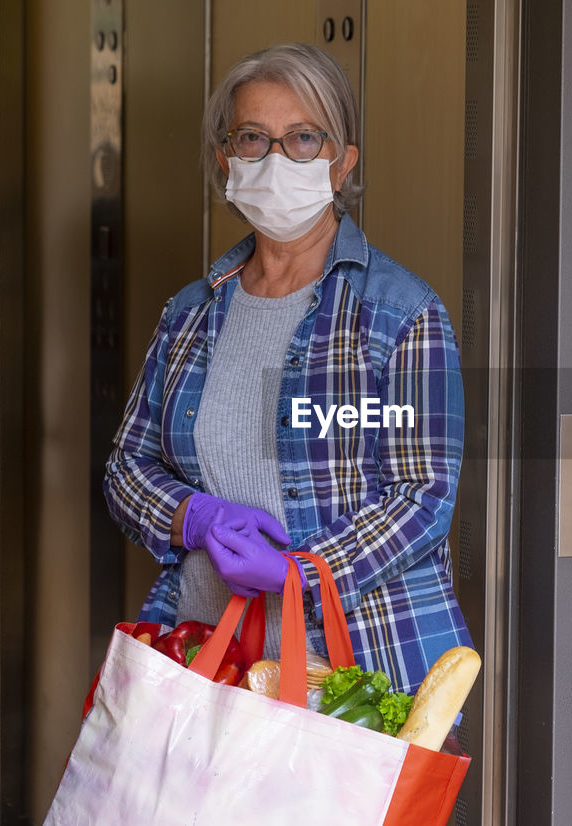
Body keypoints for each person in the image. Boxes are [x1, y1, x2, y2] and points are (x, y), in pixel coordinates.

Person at [103, 42, 473, 696]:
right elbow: (127, 468)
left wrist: (303, 572)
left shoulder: (399, 316)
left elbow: (423, 495)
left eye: (303, 139)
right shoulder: (191, 315)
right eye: (253, 138)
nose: (276, 158)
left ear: (341, 163)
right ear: (224, 159)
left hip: (357, 680)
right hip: (205, 667)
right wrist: (193, 516)